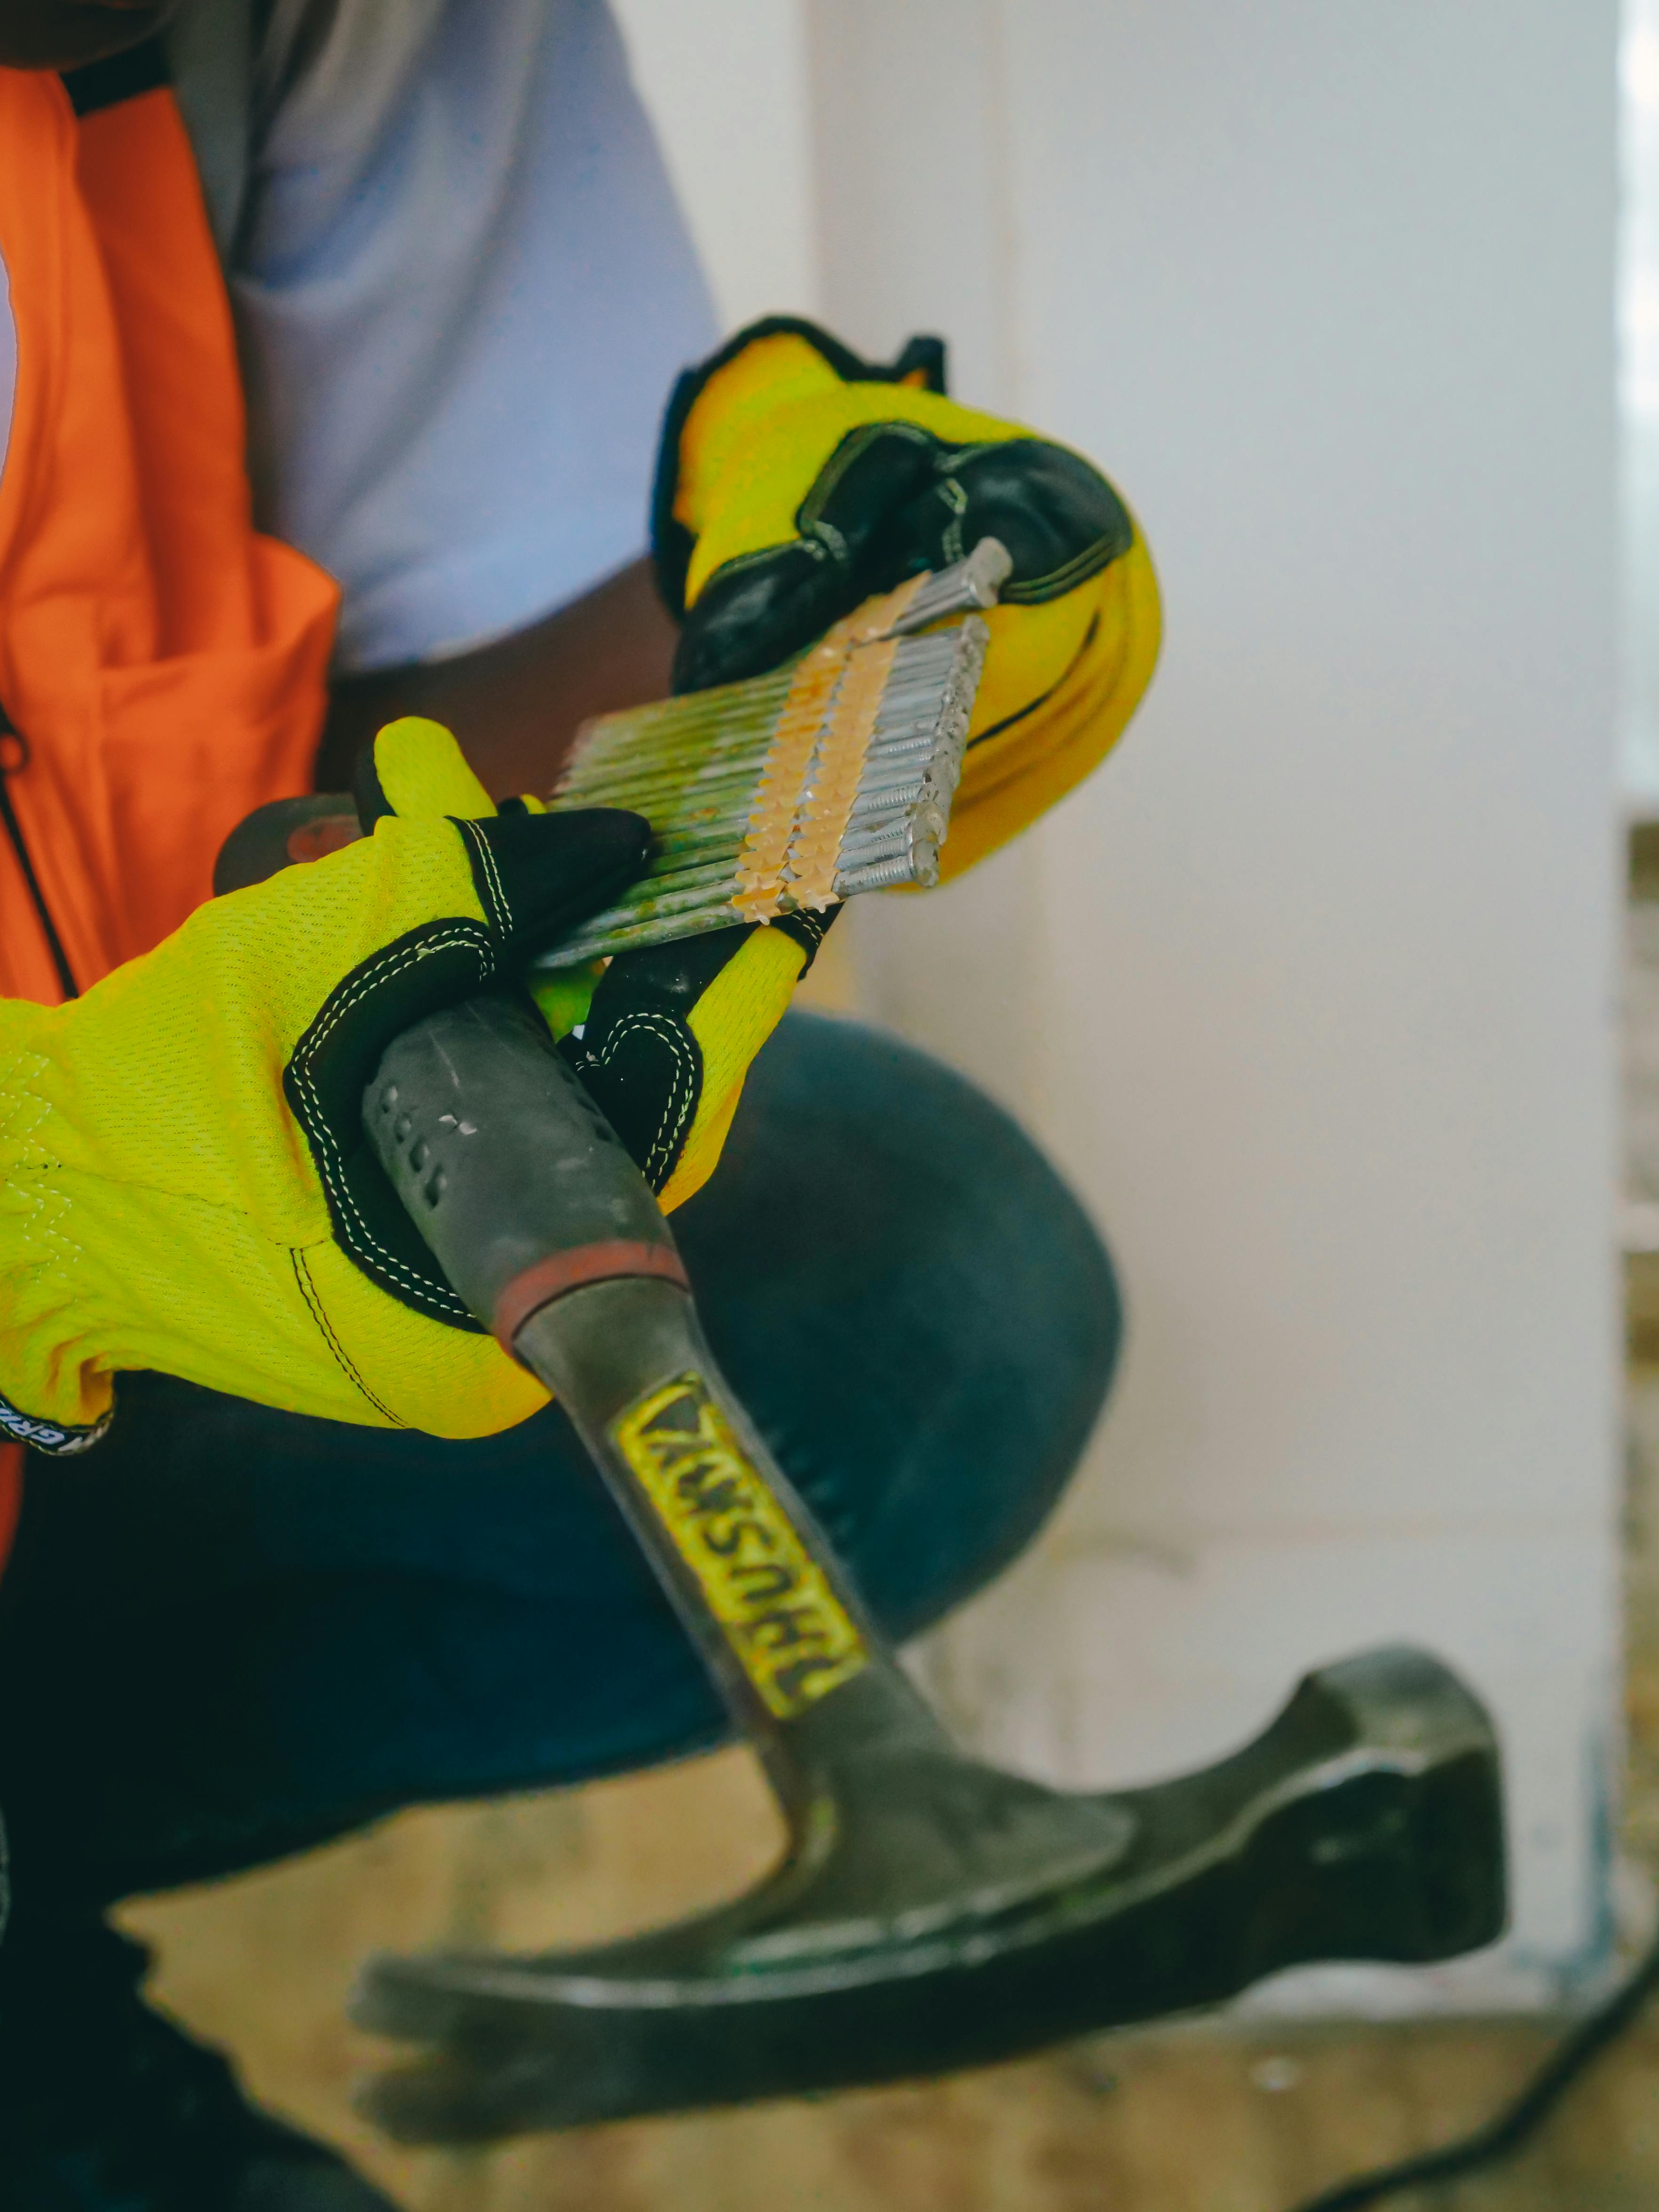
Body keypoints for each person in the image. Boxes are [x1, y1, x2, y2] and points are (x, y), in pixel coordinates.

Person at [0, 0, 1160, 2203]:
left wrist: (793, 665)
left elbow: (494, 688)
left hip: (82, 1325)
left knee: (926, 1293)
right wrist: (33, 1181)